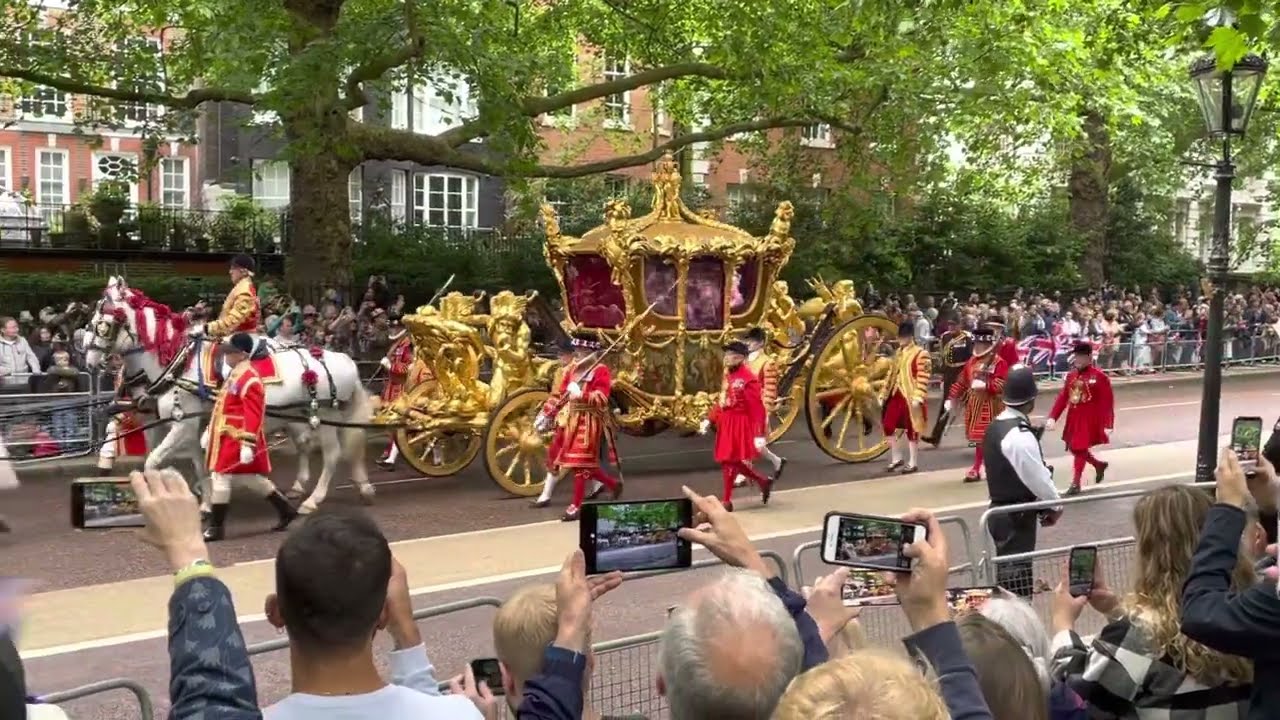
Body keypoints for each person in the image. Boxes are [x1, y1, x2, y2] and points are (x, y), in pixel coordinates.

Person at [199, 332, 296, 541]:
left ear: (242, 355)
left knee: (221, 476)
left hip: (237, 436)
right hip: (225, 434)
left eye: (230, 353)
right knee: (248, 478)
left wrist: (247, 444)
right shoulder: (236, 374)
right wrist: (209, 429)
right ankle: (286, 509)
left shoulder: (249, 378)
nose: (225, 356)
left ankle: (216, 527)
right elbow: (221, 406)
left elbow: (253, 413)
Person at [982, 364, 1062, 597]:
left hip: (1000, 512)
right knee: (1017, 585)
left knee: (1009, 579)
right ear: (1032, 400)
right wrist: (1055, 505)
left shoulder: (995, 426)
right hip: (1016, 515)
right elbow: (1036, 477)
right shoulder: (1019, 435)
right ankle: (1015, 629)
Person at [533, 332, 622, 521]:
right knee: (578, 464)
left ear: (590, 350)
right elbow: (559, 396)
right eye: (577, 349)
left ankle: (576, 505)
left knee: (581, 464)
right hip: (572, 418)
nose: (578, 353)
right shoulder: (572, 370)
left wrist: (581, 394)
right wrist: (547, 413)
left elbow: (602, 398)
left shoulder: (600, 370)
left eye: (582, 350)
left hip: (589, 420)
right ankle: (612, 484)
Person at [699, 341, 772, 512]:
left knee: (729, 461)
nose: (726, 358)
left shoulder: (748, 379)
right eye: (726, 354)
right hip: (727, 422)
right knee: (729, 460)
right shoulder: (729, 377)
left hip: (740, 423)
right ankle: (762, 480)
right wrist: (710, 419)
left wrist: (759, 434)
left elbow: (757, 409)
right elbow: (722, 401)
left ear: (740, 358)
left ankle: (726, 500)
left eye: (730, 354)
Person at [1045, 341, 1114, 496]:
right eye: (1076, 356)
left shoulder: (1099, 377)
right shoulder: (1071, 376)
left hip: (1089, 418)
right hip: (1074, 416)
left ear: (1089, 357)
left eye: (1081, 357)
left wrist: (1108, 424)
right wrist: (1053, 417)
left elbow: (1107, 402)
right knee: (1074, 447)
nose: (1078, 360)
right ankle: (1098, 465)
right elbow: (1063, 398)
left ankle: (1076, 483)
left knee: (1079, 447)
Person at [945, 327, 1010, 483]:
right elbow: (961, 382)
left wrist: (987, 386)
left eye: (982, 343)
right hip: (975, 404)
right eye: (977, 343)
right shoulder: (971, 362)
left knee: (994, 440)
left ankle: (990, 466)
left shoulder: (998, 362)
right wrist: (951, 397)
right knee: (978, 440)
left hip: (993, 405)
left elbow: (1002, 384)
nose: (978, 346)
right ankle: (978, 467)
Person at [737, 327, 786, 486]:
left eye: (752, 341)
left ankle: (744, 473)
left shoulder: (767, 362)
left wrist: (765, 411)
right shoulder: (744, 361)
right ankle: (777, 461)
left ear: (761, 343)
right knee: (757, 445)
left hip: (758, 408)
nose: (748, 344)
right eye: (747, 341)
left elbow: (770, 389)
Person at [883, 320, 932, 474]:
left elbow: (923, 376)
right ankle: (897, 458)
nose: (901, 339)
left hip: (911, 395)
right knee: (888, 425)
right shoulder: (898, 353)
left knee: (912, 429)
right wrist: (883, 393)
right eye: (900, 336)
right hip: (896, 394)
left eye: (904, 336)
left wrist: (918, 396)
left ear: (910, 337)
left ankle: (913, 461)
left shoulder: (921, 353)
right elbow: (890, 375)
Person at [925, 311, 971, 447]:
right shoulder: (945, 337)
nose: (951, 328)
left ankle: (979, 434)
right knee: (945, 406)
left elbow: (970, 358)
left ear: (960, 325)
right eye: (950, 325)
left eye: (954, 325)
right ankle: (935, 436)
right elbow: (943, 357)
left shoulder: (967, 338)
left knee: (972, 406)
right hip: (950, 375)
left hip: (962, 374)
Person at [189, 254, 262, 339]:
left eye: (233, 268)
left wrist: (207, 328)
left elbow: (233, 320)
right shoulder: (241, 288)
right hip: (236, 336)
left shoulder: (244, 290)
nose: (230, 272)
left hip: (241, 339)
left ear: (244, 271)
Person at [96, 356, 148, 476]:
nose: (115, 363)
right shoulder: (122, 371)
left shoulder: (134, 371)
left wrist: (114, 409)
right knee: (108, 445)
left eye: (117, 359)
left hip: (137, 415)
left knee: (111, 436)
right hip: (127, 414)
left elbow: (136, 399)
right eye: (113, 360)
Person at [376, 315, 413, 470]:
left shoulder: (408, 345)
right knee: (390, 422)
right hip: (391, 387)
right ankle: (390, 450)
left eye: (395, 327)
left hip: (402, 388)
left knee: (397, 422)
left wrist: (390, 366)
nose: (392, 330)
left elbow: (410, 368)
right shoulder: (397, 344)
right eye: (391, 327)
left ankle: (391, 456)